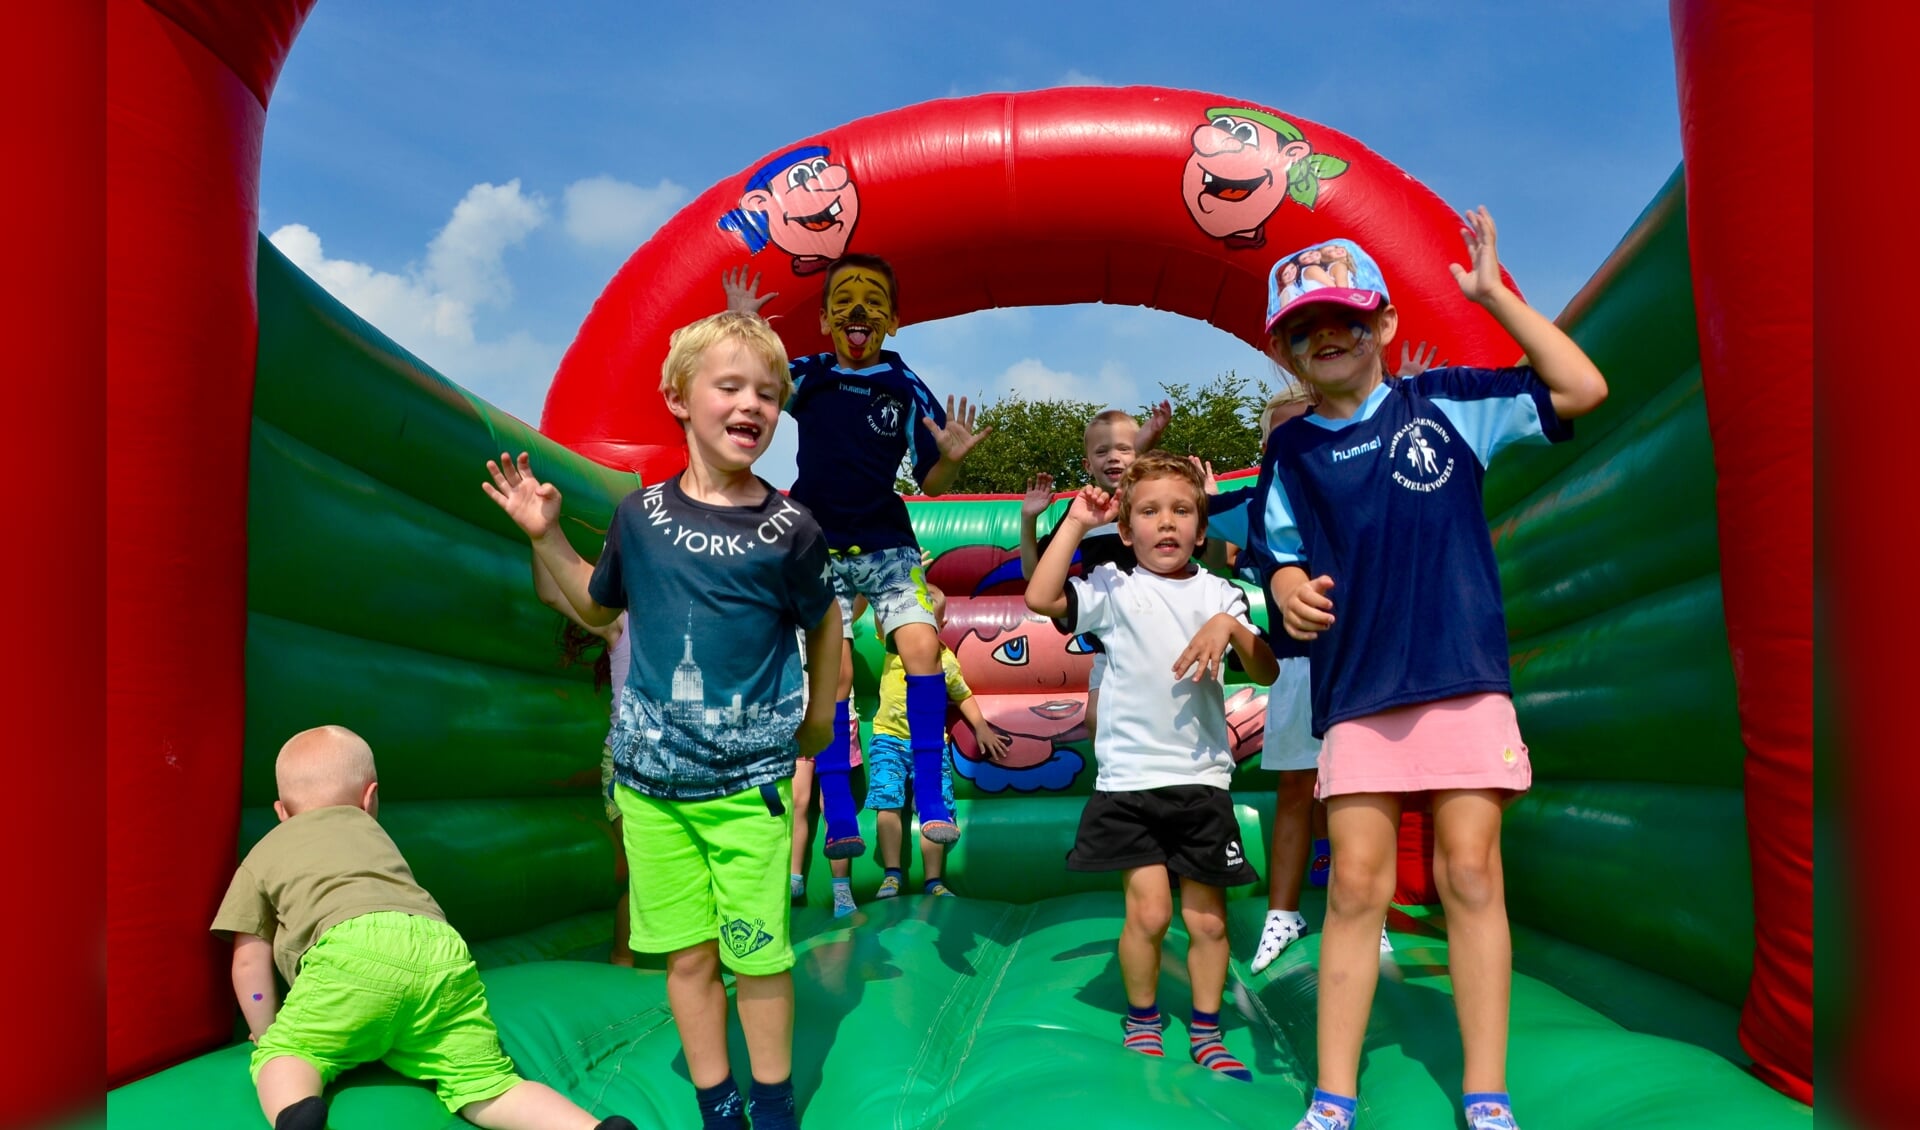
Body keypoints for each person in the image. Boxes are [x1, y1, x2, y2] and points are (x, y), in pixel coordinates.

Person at [1250, 210, 1607, 1130]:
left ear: (1385, 325)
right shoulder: (1291, 449)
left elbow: (1583, 388)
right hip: (1362, 692)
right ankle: (1334, 1096)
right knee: (1359, 886)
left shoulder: (1445, 403)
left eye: (1347, 317)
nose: (1328, 336)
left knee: (1471, 876)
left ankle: (1486, 1094)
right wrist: (1285, 587)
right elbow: (1274, 551)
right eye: (1303, 327)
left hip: (1462, 677)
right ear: (1286, 348)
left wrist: (1494, 298)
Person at [482, 309, 843, 1130]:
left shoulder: (790, 529)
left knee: (759, 956)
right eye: (731, 386)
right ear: (678, 397)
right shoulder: (640, 519)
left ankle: (775, 1103)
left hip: (747, 785)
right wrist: (543, 537)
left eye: (769, 392)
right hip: (651, 787)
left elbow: (823, 619)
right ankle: (719, 1103)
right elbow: (592, 603)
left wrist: (819, 714)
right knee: (685, 956)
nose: (753, 404)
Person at [211, 725, 638, 1130]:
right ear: (370, 799)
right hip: (440, 950)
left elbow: (249, 958)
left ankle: (294, 1113)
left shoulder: (265, 851)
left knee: (287, 1052)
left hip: (349, 955)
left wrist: (265, 1029)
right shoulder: (373, 834)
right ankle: (589, 1125)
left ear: (281, 812)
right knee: (487, 1084)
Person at [1026, 451, 1279, 1083]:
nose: (1166, 523)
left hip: (1200, 781)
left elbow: (1268, 669)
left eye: (1181, 511)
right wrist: (1077, 523)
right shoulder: (1114, 589)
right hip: (1131, 783)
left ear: (1200, 528)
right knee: (1148, 915)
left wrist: (1229, 625)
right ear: (1127, 528)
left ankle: (1206, 1027)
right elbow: (1039, 596)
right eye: (1149, 511)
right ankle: (1142, 1018)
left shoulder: (1220, 593)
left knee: (1208, 921)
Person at [724, 260, 989, 857]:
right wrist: (744, 325)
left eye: (873, 302)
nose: (859, 312)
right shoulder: (811, 373)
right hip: (816, 543)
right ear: (823, 319)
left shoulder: (904, 383)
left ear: (893, 320)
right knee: (834, 675)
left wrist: (948, 458)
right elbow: (752, 378)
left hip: (885, 543)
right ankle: (840, 813)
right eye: (844, 301)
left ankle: (934, 801)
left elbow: (935, 483)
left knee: (922, 648)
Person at [1017, 401, 1171, 739]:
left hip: (1164, 635)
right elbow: (1034, 575)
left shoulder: (1156, 502)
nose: (1113, 457)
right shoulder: (1085, 511)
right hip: (1112, 643)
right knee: (1098, 720)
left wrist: (1150, 444)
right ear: (1088, 465)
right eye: (1102, 452)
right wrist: (1029, 519)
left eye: (1124, 449)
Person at [867, 584, 1009, 898]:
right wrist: (899, 583)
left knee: (937, 810)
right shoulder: (893, 647)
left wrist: (982, 728)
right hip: (888, 739)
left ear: (941, 626)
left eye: (928, 621)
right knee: (887, 804)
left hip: (930, 745)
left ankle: (934, 880)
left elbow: (963, 695)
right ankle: (892, 874)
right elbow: (881, 620)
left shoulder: (947, 660)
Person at [540, 559, 635, 966]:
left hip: (689, 766)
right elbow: (552, 592)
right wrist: (539, 534)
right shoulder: (621, 620)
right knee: (646, 872)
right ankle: (623, 963)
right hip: (630, 763)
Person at [790, 595, 865, 919]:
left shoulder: (835, 606)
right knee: (798, 799)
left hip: (835, 714)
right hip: (799, 714)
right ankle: (793, 879)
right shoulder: (788, 610)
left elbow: (853, 606)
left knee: (832, 802)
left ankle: (842, 890)